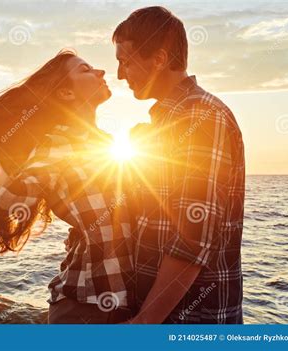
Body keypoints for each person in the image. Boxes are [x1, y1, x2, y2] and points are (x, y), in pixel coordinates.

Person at [0, 49, 135, 324]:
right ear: (65, 93)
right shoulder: (59, 142)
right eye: (86, 70)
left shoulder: (107, 143)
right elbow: (6, 199)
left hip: (120, 304)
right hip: (87, 308)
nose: (101, 72)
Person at [113, 6, 245, 323]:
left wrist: (143, 325)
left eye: (125, 61)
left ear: (158, 59)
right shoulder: (167, 120)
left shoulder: (200, 115)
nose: (120, 74)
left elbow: (192, 239)